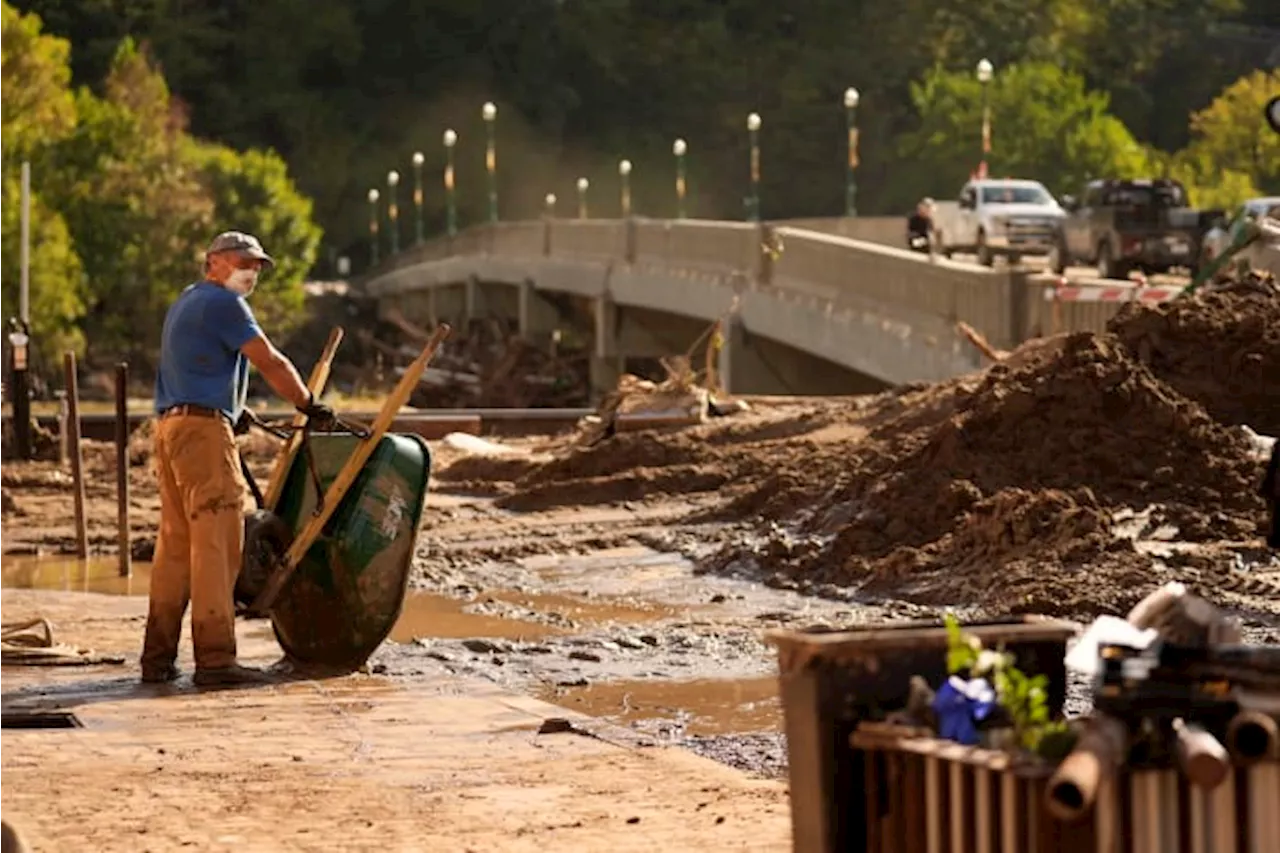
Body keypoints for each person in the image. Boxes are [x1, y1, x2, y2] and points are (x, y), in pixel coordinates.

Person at [142, 230, 336, 686]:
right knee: (217, 541)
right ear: (213, 261)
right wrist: (309, 404)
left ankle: (157, 658)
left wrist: (232, 408)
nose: (251, 272)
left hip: (172, 429)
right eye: (242, 262)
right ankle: (215, 660)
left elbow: (195, 366)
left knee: (176, 548)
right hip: (203, 435)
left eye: (256, 266)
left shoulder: (187, 302)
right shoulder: (224, 304)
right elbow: (268, 360)